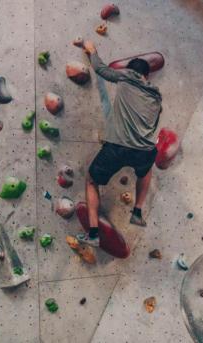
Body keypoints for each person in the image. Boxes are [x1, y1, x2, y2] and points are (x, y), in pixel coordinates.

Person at [76, 40, 162, 247]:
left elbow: (100, 69)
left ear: (130, 71)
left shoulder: (126, 76)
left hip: (117, 147)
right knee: (146, 169)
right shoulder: (156, 95)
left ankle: (94, 234)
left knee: (91, 181)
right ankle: (137, 211)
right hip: (144, 150)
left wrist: (91, 50)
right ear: (147, 76)